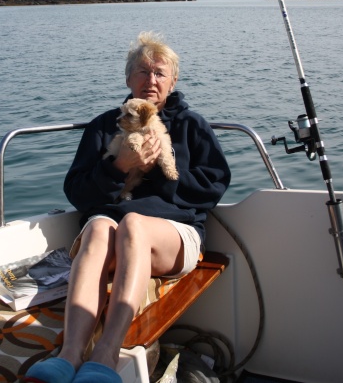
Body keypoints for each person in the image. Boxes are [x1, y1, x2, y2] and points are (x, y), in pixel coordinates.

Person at [25, 32, 231, 383]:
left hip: (172, 236)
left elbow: (214, 185)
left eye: (159, 73)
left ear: (173, 81)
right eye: (142, 71)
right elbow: (76, 191)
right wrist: (117, 167)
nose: (151, 80)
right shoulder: (105, 126)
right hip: (110, 231)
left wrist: (164, 177)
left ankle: (105, 355)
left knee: (134, 222)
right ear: (128, 78)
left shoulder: (190, 125)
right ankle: (69, 356)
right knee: (96, 227)